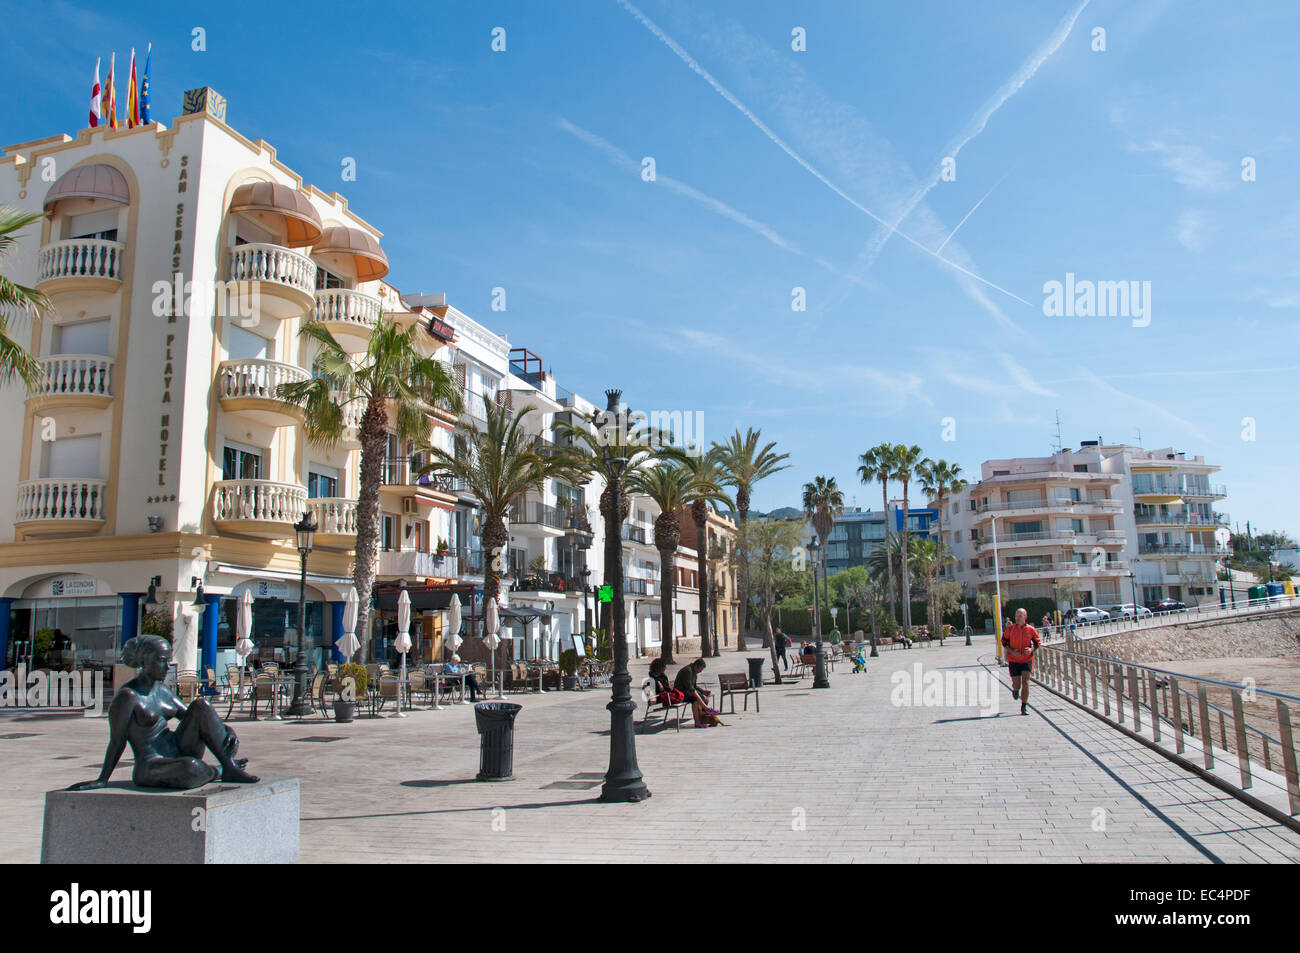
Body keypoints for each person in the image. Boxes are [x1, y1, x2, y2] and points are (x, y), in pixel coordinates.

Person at [69, 635, 258, 790]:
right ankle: (217, 770)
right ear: (144, 660)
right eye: (161, 661)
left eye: (168, 660)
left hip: (178, 749)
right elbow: (117, 741)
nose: (167, 667)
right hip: (152, 765)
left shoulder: (163, 691)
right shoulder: (127, 697)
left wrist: (227, 730)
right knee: (191, 768)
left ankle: (228, 766)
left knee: (201, 705)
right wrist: (103, 779)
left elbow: (200, 718)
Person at [1002, 608, 1041, 715]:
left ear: (1025, 617)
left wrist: (1031, 649)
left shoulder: (1031, 629)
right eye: (1016, 615)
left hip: (1026, 660)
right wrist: (1012, 652)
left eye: (1020, 615)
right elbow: (1004, 642)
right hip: (1014, 660)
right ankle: (1015, 690)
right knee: (1017, 684)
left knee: (1026, 682)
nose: (1018, 618)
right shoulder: (1010, 629)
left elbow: (1037, 643)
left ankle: (1024, 706)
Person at [673, 658, 726, 727]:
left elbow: (694, 686)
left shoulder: (694, 672)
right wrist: (701, 695)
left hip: (687, 693)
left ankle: (698, 722)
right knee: (697, 696)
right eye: (700, 669)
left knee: (695, 700)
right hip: (679, 693)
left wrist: (702, 691)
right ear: (696, 666)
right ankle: (707, 709)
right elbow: (689, 687)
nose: (700, 671)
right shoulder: (688, 671)